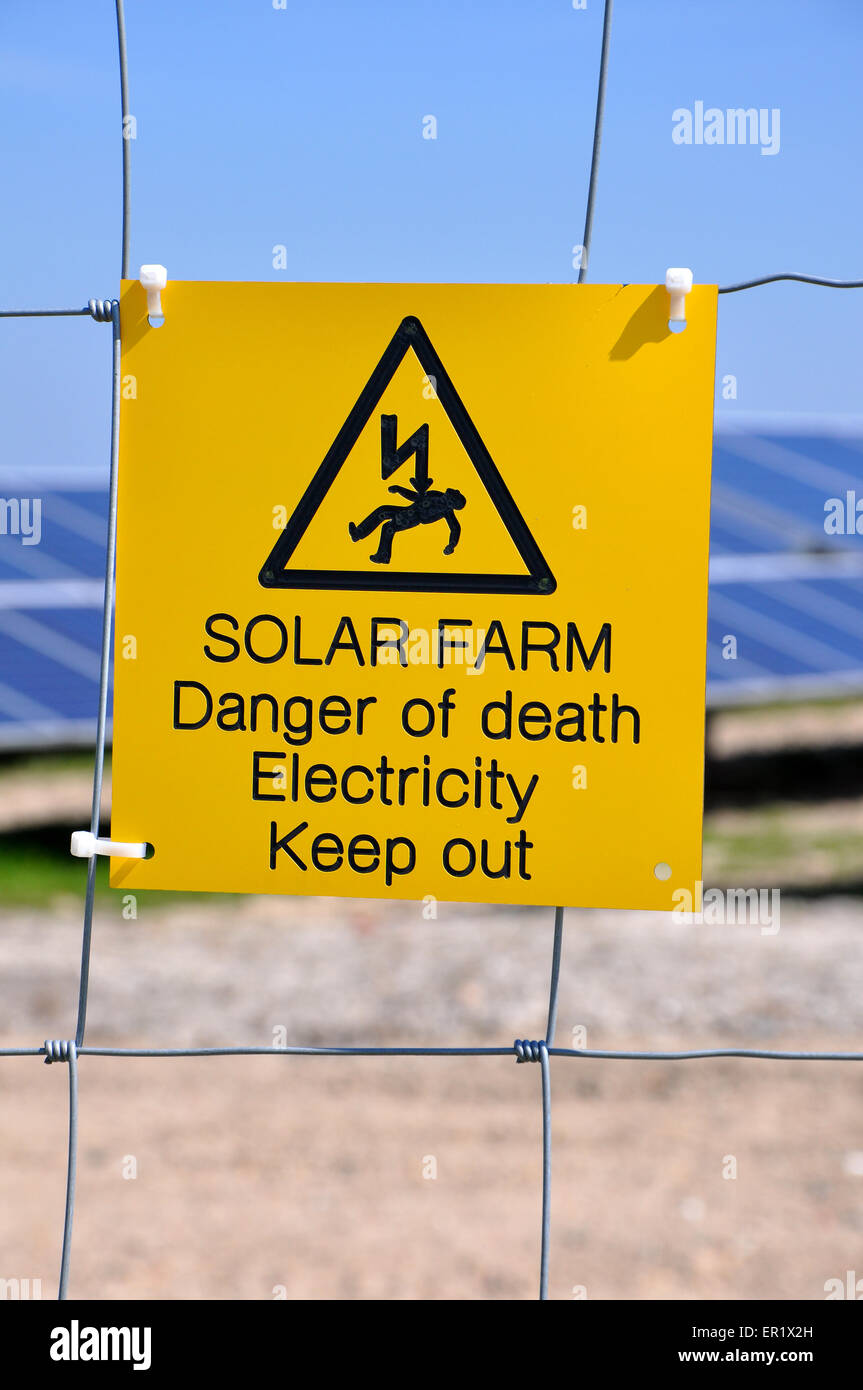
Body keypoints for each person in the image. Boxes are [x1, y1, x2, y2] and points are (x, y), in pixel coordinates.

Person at [349, 482, 467, 565]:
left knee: (388, 527)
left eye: (451, 499)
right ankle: (359, 533)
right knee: (383, 511)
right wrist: (399, 489)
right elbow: (416, 497)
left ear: (451, 504)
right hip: (408, 510)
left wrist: (452, 544)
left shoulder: (446, 511)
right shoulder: (435, 494)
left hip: (412, 518)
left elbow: (455, 528)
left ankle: (382, 555)